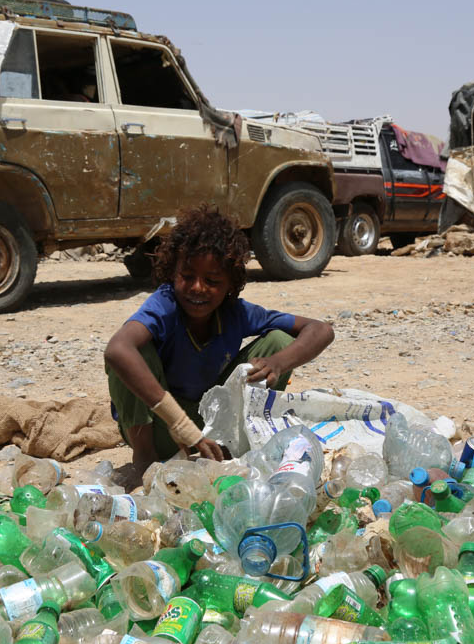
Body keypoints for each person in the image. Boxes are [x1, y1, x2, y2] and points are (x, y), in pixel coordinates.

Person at [104, 204, 334, 480]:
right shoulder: (165, 304)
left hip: (212, 427)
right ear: (172, 273)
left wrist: (276, 363)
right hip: (163, 429)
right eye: (187, 276)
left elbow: (320, 330)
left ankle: (235, 443)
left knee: (279, 341)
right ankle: (144, 459)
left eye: (212, 280)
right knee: (132, 351)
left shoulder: (236, 313)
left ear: (230, 285)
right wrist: (180, 425)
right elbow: (117, 350)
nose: (197, 288)